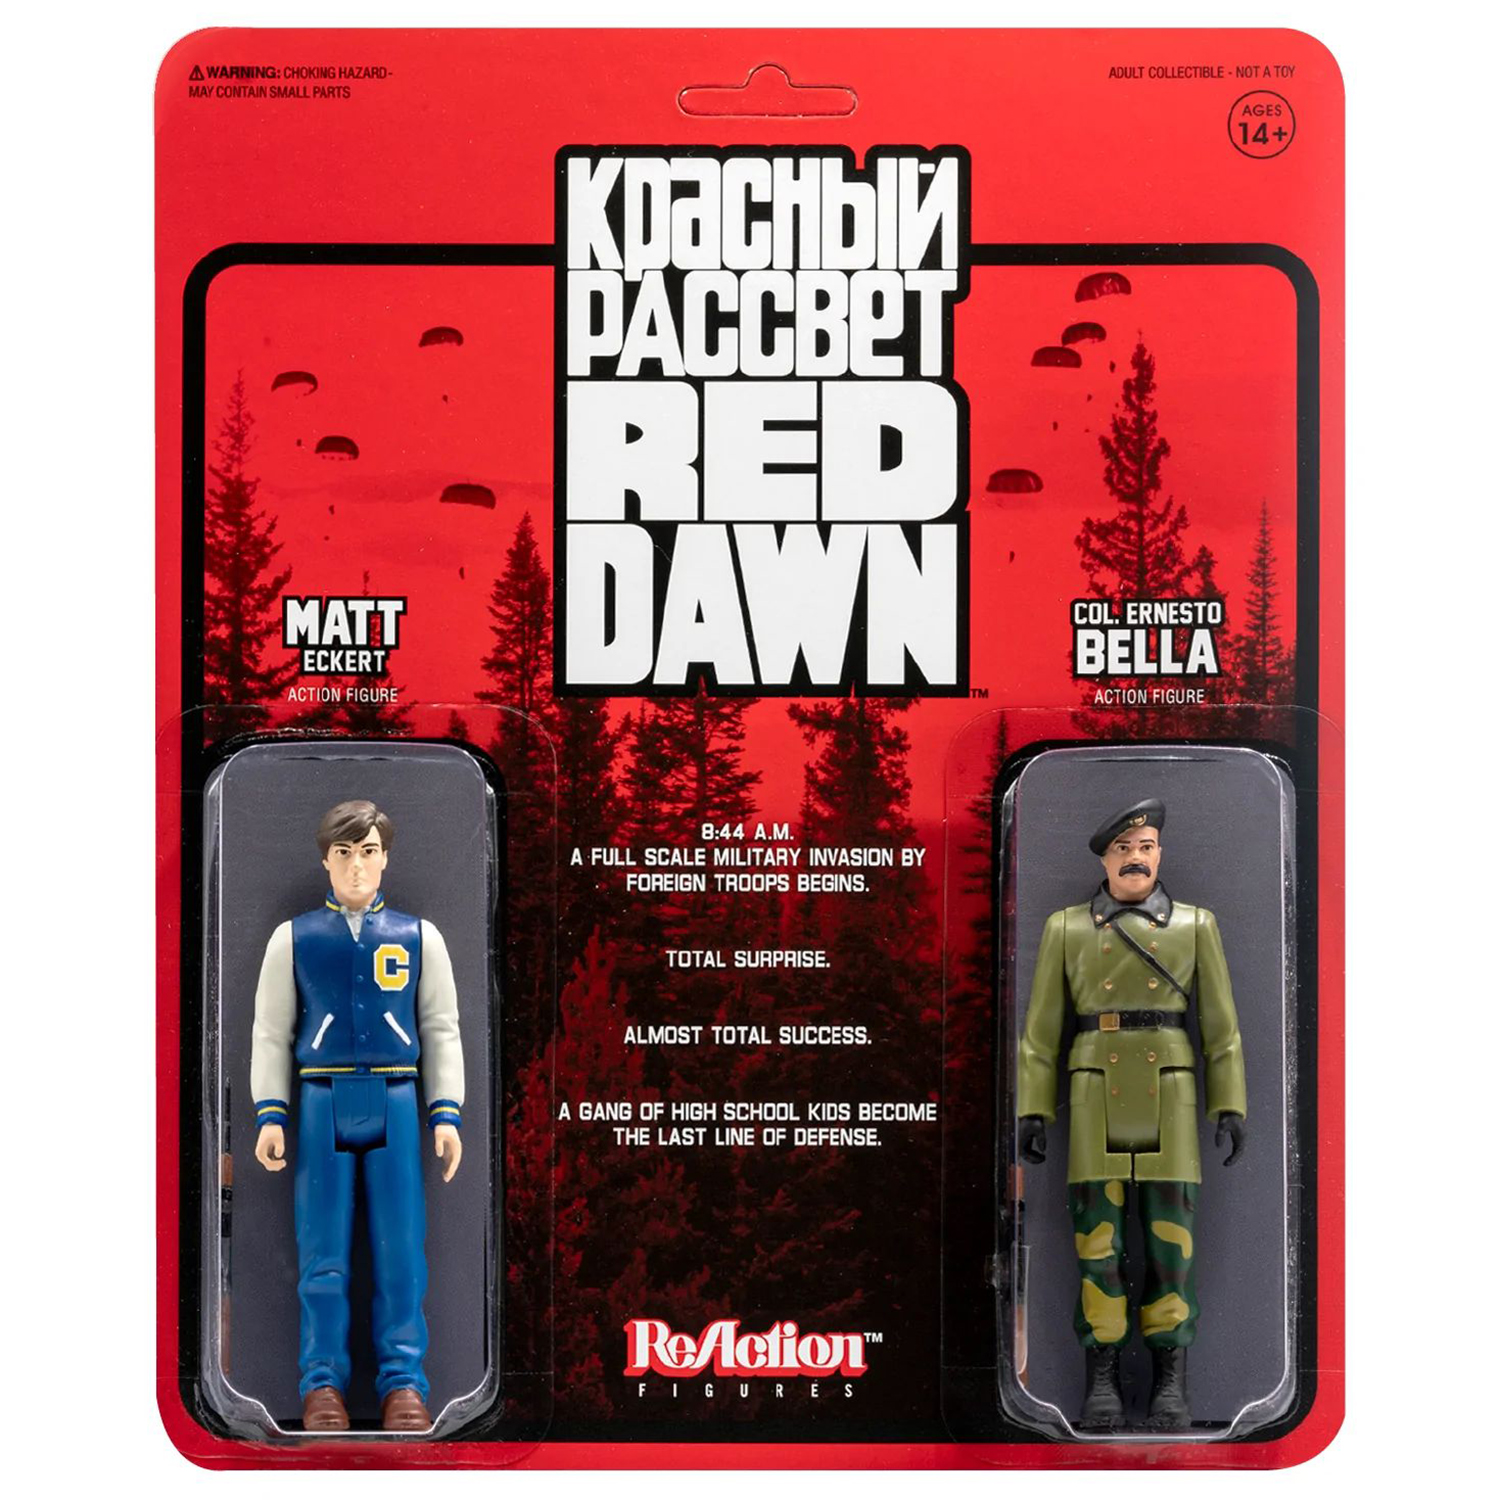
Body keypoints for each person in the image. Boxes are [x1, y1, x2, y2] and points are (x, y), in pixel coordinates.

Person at [1017, 798, 1246, 1431]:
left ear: (1159, 853)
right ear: (1105, 859)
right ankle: (1102, 1379)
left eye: (1145, 847)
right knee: (1098, 1242)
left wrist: (1228, 1102)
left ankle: (1171, 1379)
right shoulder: (1067, 929)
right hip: (1095, 1091)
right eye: (1123, 849)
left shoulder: (1194, 926)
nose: (1136, 859)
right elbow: (1041, 1031)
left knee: (1174, 1242)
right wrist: (1033, 1107)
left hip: (1170, 1091)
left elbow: (1221, 1026)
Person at [250, 800, 464, 1433]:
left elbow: (442, 1027)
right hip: (322, 1098)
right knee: (322, 1254)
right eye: (343, 853)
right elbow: (270, 1031)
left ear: (385, 857)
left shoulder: (419, 937)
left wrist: (445, 1112)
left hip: (397, 1095)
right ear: (325, 859)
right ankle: (322, 1384)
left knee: (401, 1252)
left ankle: (405, 1383)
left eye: (368, 851)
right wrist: (270, 1112)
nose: (356, 866)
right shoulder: (294, 939)